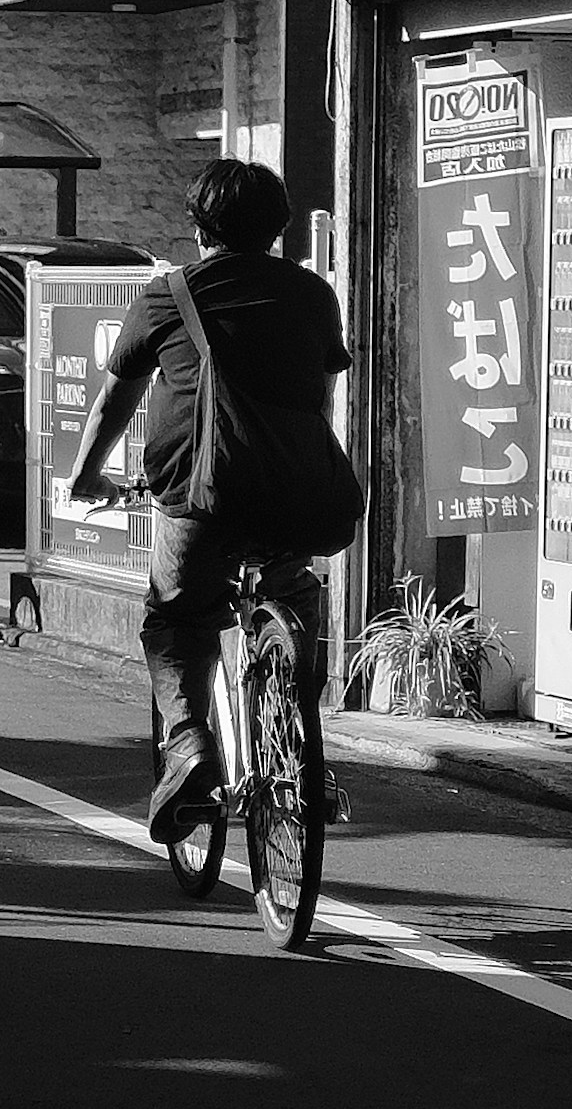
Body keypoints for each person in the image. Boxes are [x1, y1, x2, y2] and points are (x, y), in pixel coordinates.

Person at [61, 157, 354, 844]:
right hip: (296, 492)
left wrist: (84, 476)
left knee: (177, 622)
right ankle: (300, 751)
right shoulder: (311, 294)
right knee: (296, 604)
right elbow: (320, 392)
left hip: (199, 494)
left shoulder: (168, 295)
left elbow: (116, 397)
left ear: (198, 226)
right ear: (279, 227)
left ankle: (190, 745)